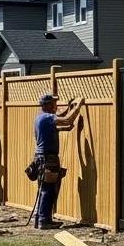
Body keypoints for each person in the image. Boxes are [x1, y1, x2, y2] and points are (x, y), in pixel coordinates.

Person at [32, 93, 85, 229]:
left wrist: (69, 108)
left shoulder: (41, 118)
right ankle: (44, 220)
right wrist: (78, 106)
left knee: (44, 188)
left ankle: (40, 218)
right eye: (54, 103)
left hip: (41, 157)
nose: (57, 105)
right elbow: (66, 120)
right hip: (48, 158)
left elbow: (59, 121)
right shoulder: (48, 117)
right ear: (48, 105)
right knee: (48, 189)